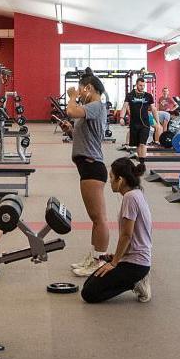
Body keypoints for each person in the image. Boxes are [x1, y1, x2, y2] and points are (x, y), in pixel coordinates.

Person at [58, 74, 112, 277]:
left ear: (88, 88)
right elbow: (86, 137)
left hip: (92, 167)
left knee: (99, 218)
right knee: (95, 218)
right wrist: (71, 130)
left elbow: (71, 110)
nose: (79, 93)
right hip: (87, 166)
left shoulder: (97, 105)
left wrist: (72, 96)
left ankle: (100, 260)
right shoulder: (92, 108)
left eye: (81, 89)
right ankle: (95, 257)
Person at [82, 157, 154, 303]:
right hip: (132, 259)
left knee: (89, 294)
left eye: (111, 177)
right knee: (88, 284)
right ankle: (131, 278)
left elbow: (127, 235)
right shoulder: (137, 194)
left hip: (137, 264)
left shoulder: (130, 198)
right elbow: (135, 236)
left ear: (120, 179)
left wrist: (114, 263)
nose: (110, 181)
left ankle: (136, 281)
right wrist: (116, 256)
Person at [124, 78, 154, 161]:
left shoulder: (148, 96)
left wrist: (157, 122)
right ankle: (140, 160)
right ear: (136, 85)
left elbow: (153, 109)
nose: (142, 87)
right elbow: (124, 106)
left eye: (143, 85)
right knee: (137, 144)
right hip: (134, 123)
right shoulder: (130, 95)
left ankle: (142, 163)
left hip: (145, 123)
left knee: (143, 143)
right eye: (140, 85)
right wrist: (121, 118)